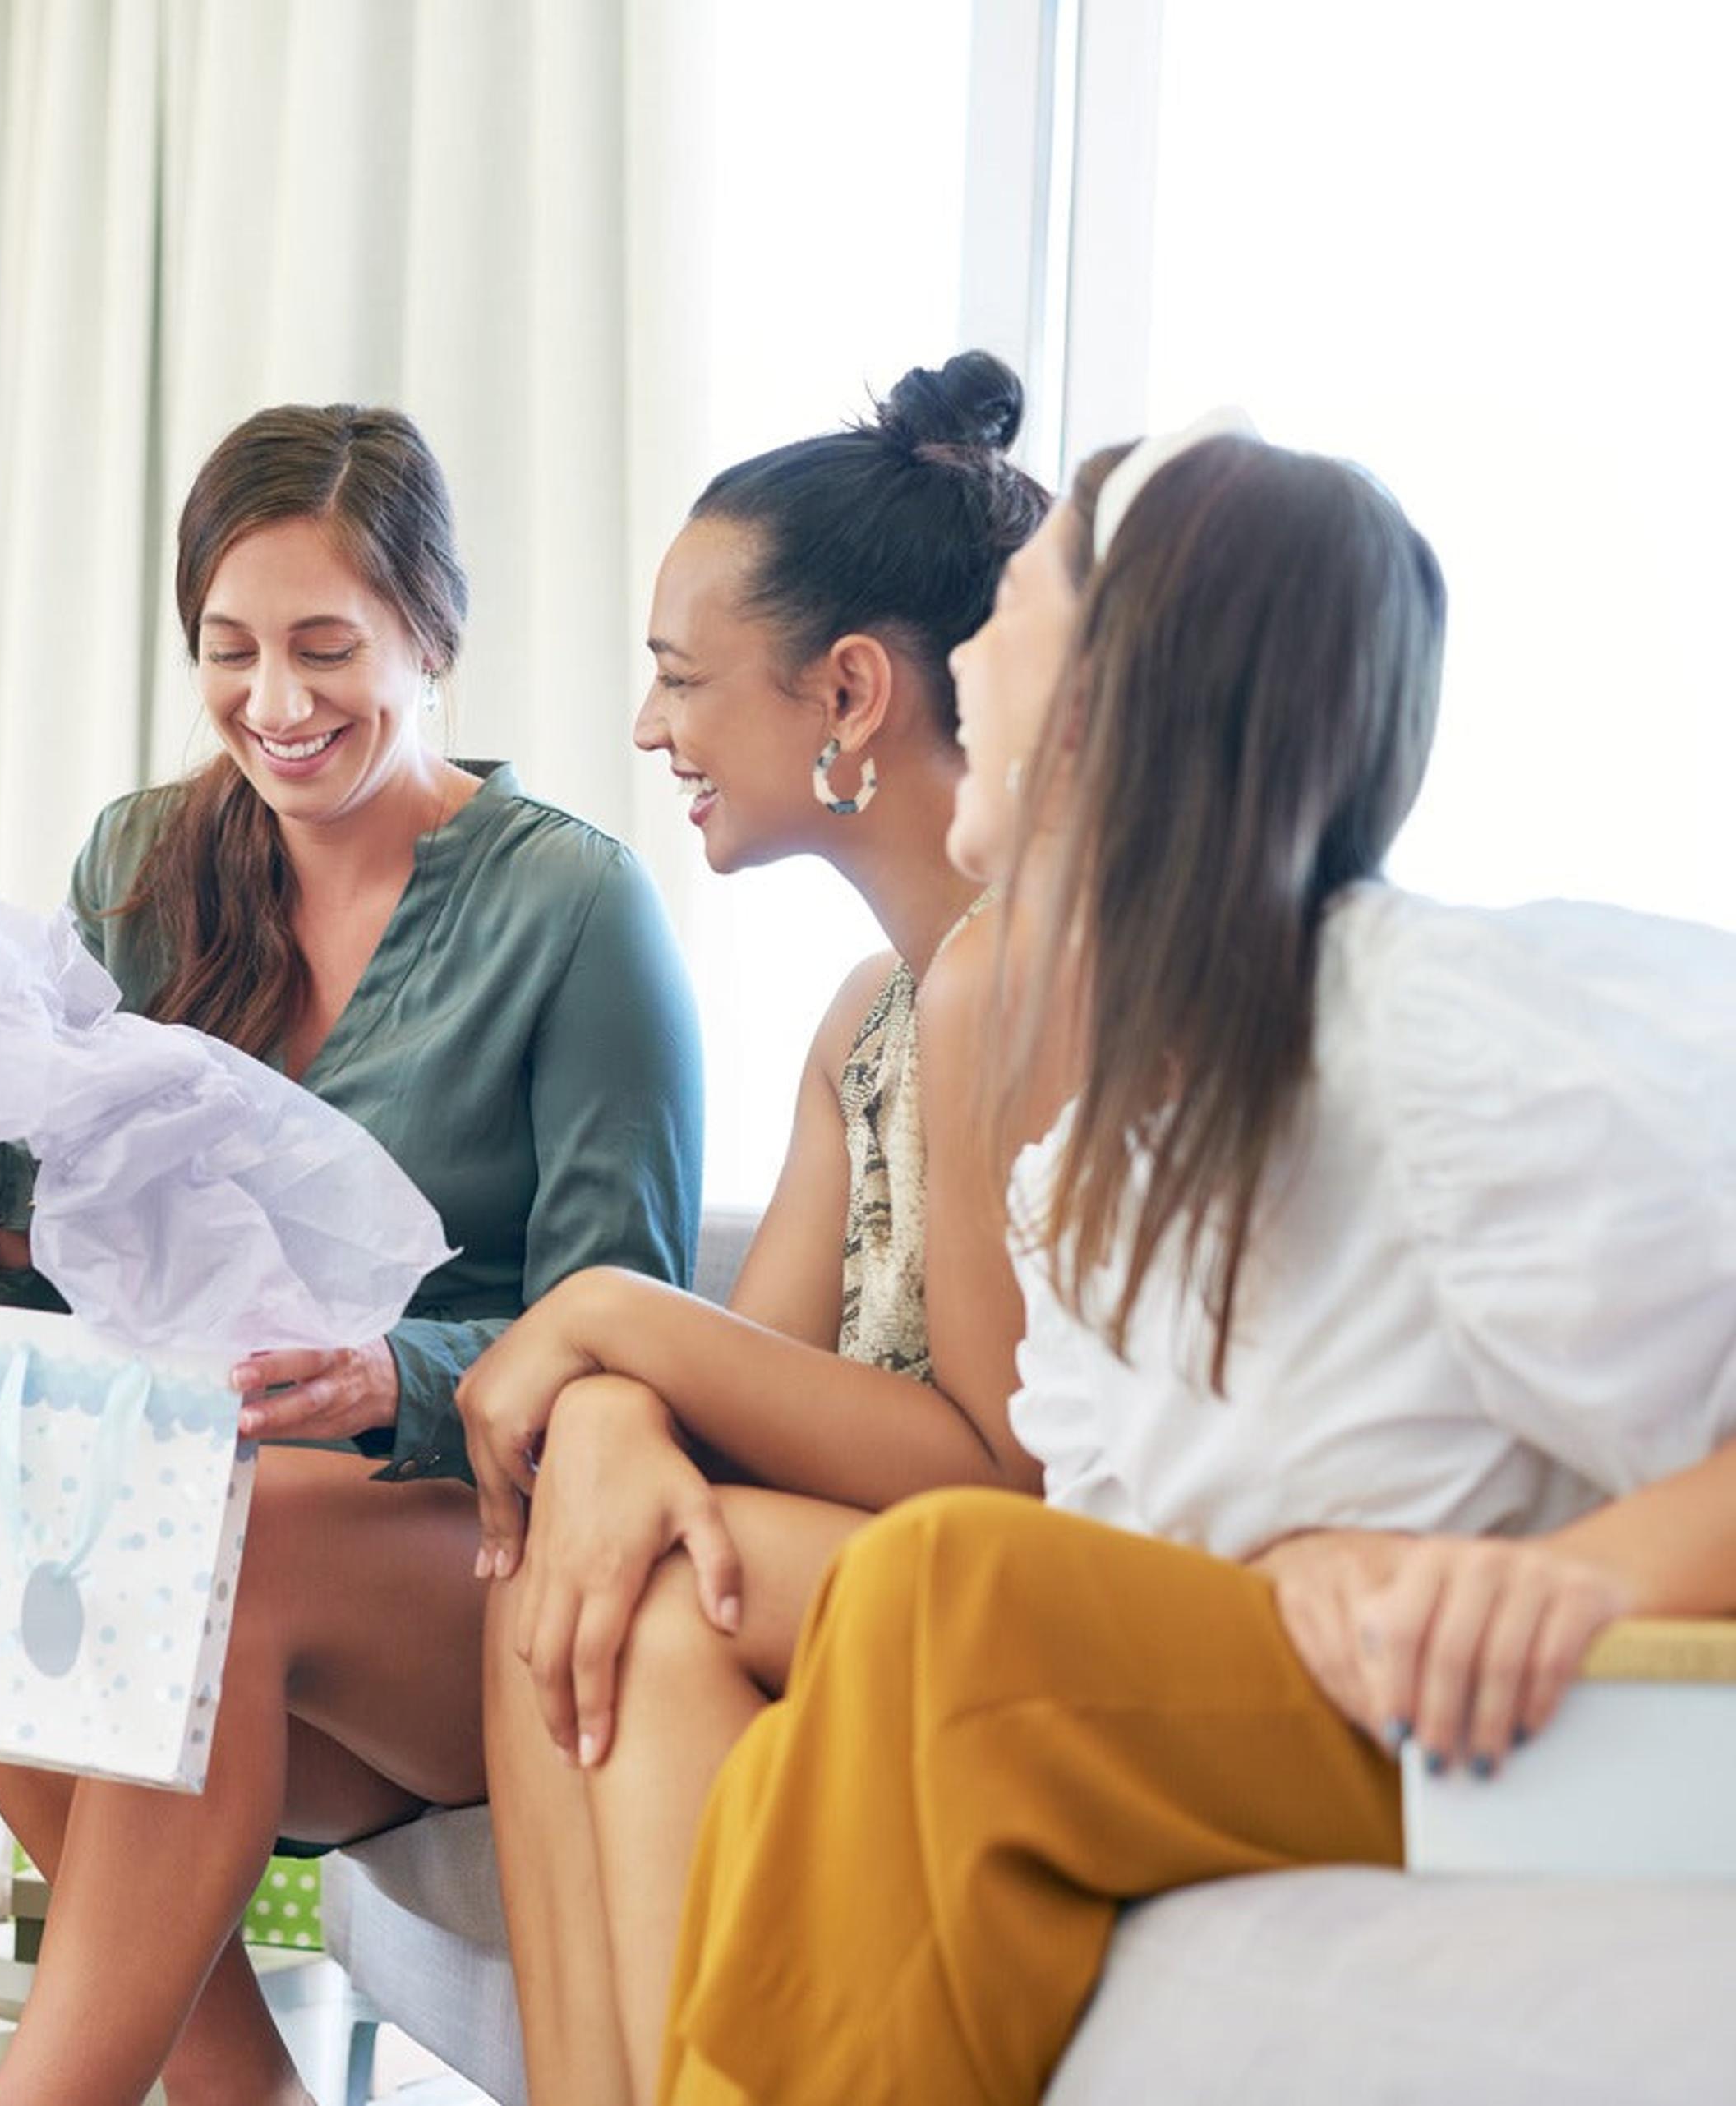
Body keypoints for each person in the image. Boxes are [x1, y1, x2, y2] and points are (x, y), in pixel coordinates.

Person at [658, 417, 1736, 2103]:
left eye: (1011, 610)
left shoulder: (1432, 1032)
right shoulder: (1116, 1147)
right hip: (1363, 1714)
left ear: (1106, 695)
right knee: (865, 1669)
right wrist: (1288, 1566)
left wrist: (1579, 1575)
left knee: (946, 1596)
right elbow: (1144, 1546)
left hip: (1581, 1730)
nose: (972, 660)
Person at [0, 402, 706, 2105]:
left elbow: (635, 1323)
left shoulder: (575, 909)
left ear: (431, 634)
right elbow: (61, 1297)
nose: (277, 704)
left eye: (329, 647)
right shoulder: (141, 864)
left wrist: (398, 1379)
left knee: (193, 1551)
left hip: (474, 1546)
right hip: (218, 1521)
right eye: (231, 651)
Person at [448, 353, 1055, 2106]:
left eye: (680, 678)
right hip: (916, 1548)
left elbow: (997, 1474)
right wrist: (625, 1393)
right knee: (566, 1560)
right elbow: (760, 1372)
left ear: (850, 691)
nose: (651, 731)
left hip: (1041, 1571)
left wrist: (617, 1324)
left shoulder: (1005, 980)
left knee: (639, 1596)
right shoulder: (872, 1010)